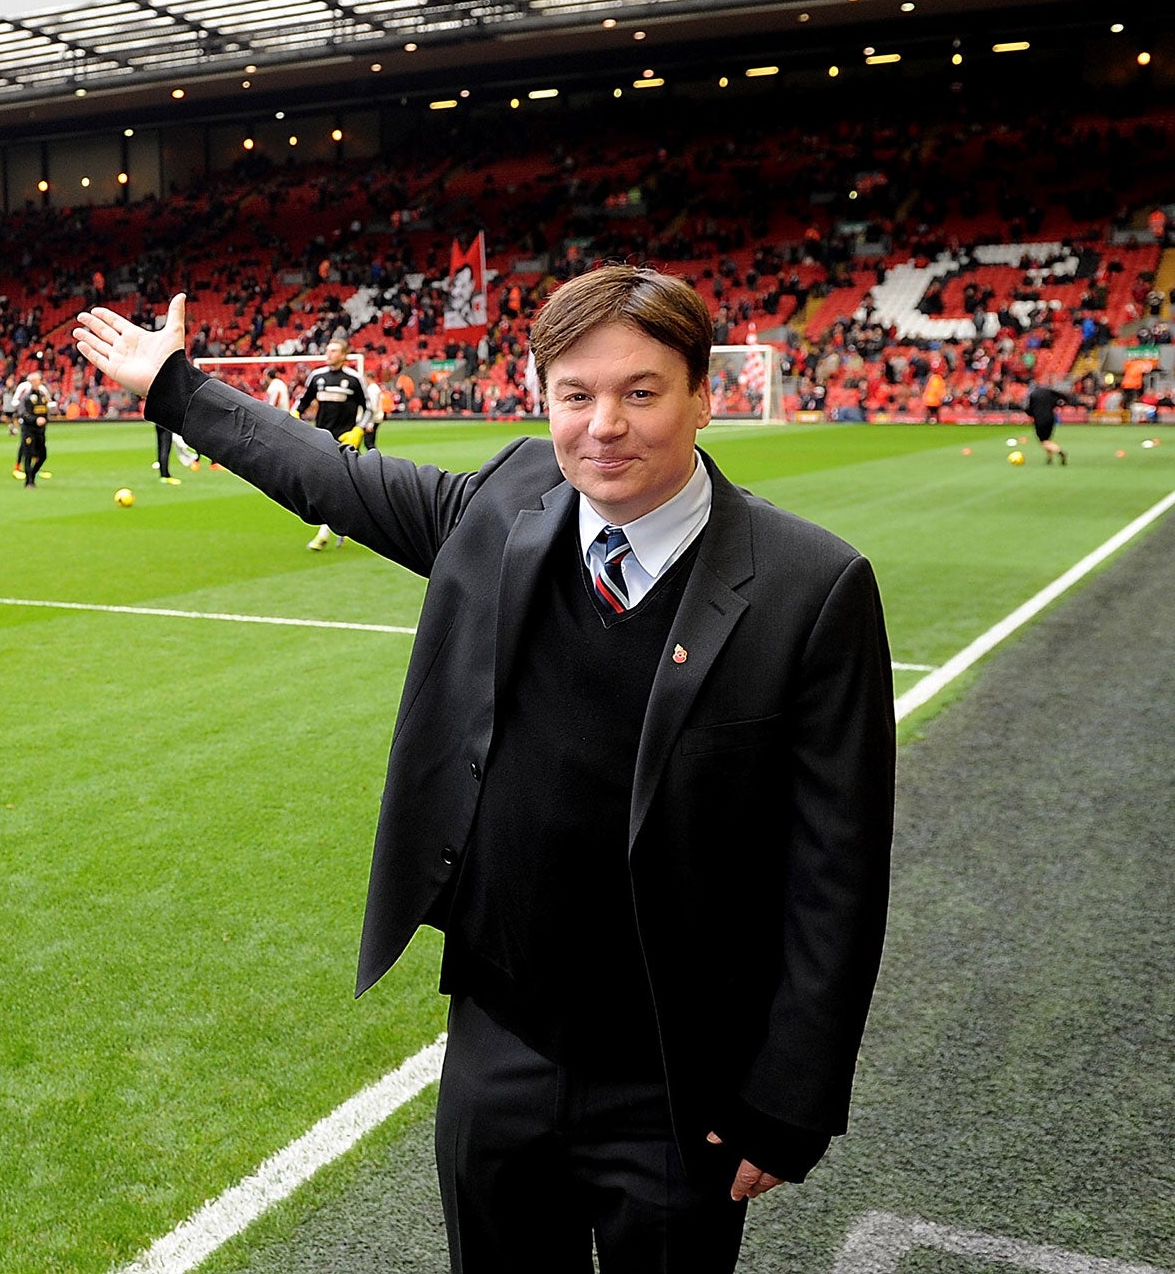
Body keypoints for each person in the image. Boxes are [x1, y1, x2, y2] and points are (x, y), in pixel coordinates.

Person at [74, 268, 895, 1274]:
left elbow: (835, 871)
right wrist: (175, 386)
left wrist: (789, 1097)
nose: (605, 425)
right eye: (576, 395)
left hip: (675, 1082)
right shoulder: (507, 505)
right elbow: (334, 478)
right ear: (539, 394)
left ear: (703, 395)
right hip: (499, 1048)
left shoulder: (810, 586)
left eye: (640, 392)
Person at [293, 340, 367, 550]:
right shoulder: (316, 376)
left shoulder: (354, 379)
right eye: (327, 350)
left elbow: (368, 407)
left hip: (346, 442)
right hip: (322, 440)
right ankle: (335, 529)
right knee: (327, 485)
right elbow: (302, 402)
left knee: (341, 486)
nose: (329, 354)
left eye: (334, 351)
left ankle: (327, 531)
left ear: (344, 355)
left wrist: (358, 430)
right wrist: (294, 416)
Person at [14, 372, 50, 486]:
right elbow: (23, 414)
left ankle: (33, 474)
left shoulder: (43, 396)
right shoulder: (26, 397)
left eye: (38, 380)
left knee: (43, 455)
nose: (36, 383)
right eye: (34, 381)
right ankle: (29, 481)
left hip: (40, 431)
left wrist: (45, 419)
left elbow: (45, 412)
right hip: (28, 430)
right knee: (28, 455)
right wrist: (35, 420)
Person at [1023, 381, 1069, 465]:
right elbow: (1062, 399)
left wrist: (1030, 413)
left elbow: (1029, 409)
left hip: (1040, 419)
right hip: (1051, 418)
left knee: (1044, 441)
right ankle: (1049, 459)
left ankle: (1059, 451)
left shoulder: (1033, 395)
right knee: (1048, 439)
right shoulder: (1051, 393)